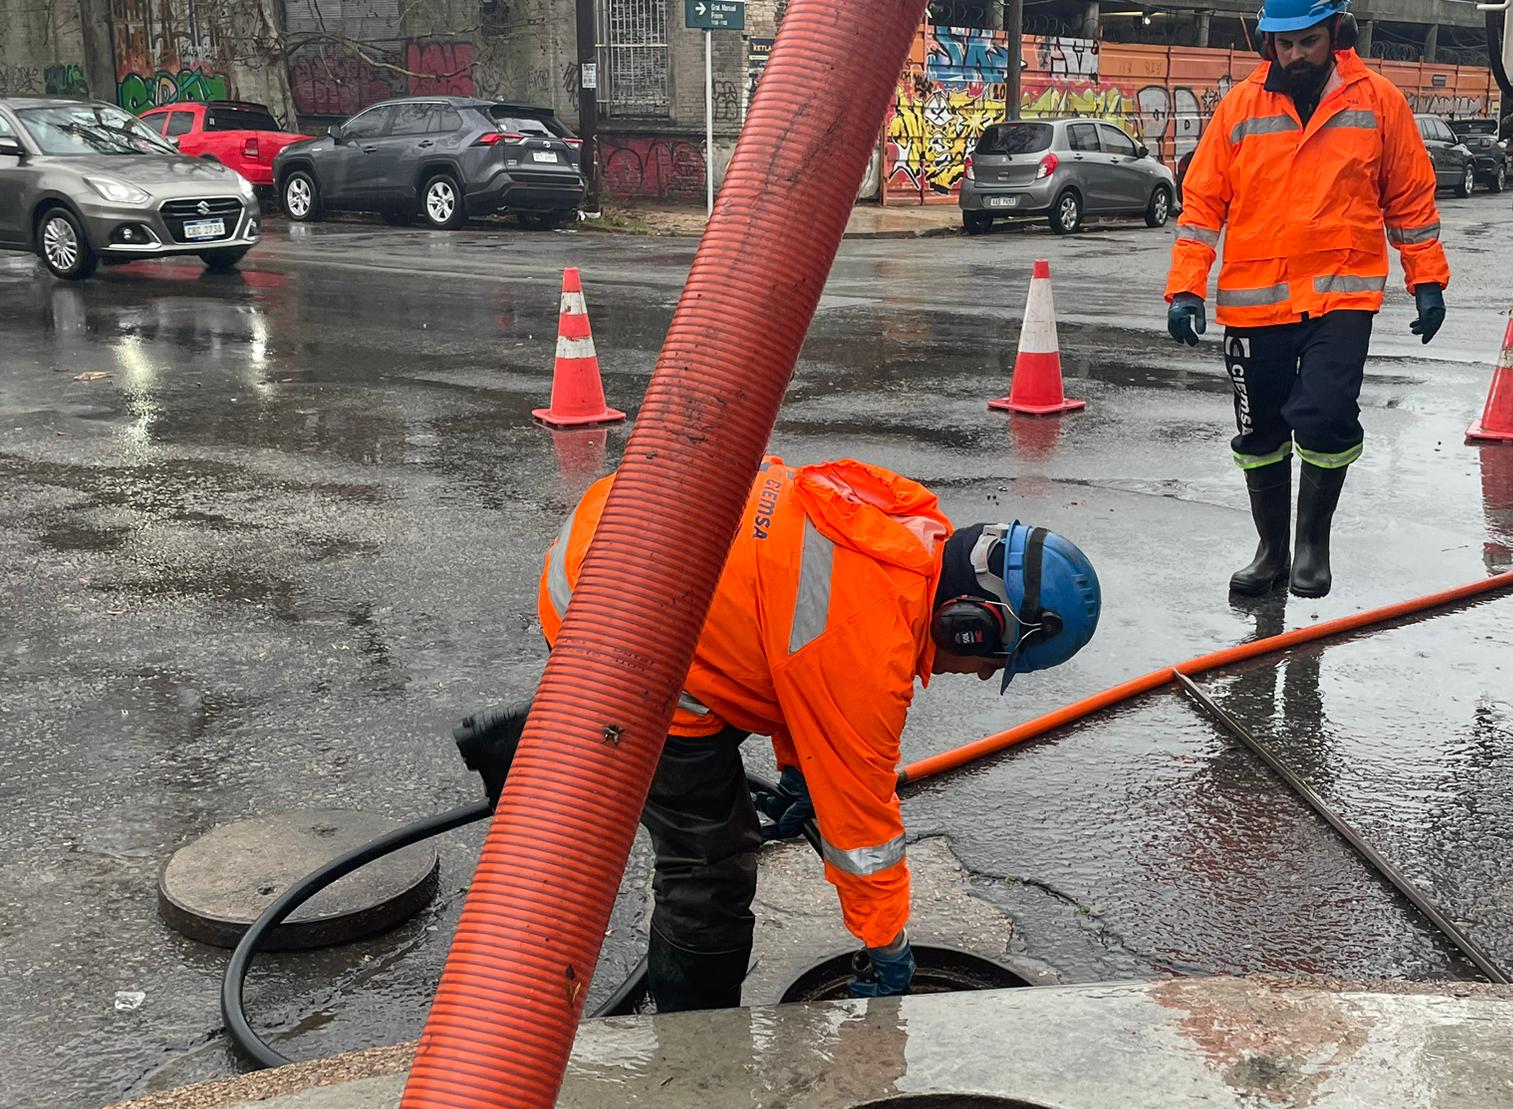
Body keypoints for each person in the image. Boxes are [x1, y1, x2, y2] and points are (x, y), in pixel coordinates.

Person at [457, 456, 1100, 1012]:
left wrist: (797, 771)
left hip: (624, 537)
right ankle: (695, 1041)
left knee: (733, 678)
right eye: (996, 660)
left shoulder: (905, 529)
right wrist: (888, 947)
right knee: (710, 863)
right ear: (972, 626)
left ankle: (563, 729)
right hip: (614, 619)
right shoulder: (872, 646)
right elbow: (863, 828)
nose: (986, 676)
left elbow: (793, 644)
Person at [1165, 0, 1450, 598]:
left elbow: (1409, 198)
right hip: (1253, 303)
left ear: (1335, 34)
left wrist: (1425, 278)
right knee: (1260, 432)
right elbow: (1202, 206)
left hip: (1340, 302)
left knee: (1324, 418)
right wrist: (1187, 286)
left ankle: (1311, 546)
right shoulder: (1240, 106)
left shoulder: (1378, 102)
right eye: (1284, 43)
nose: (1294, 55)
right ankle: (1270, 550)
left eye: (1308, 41)